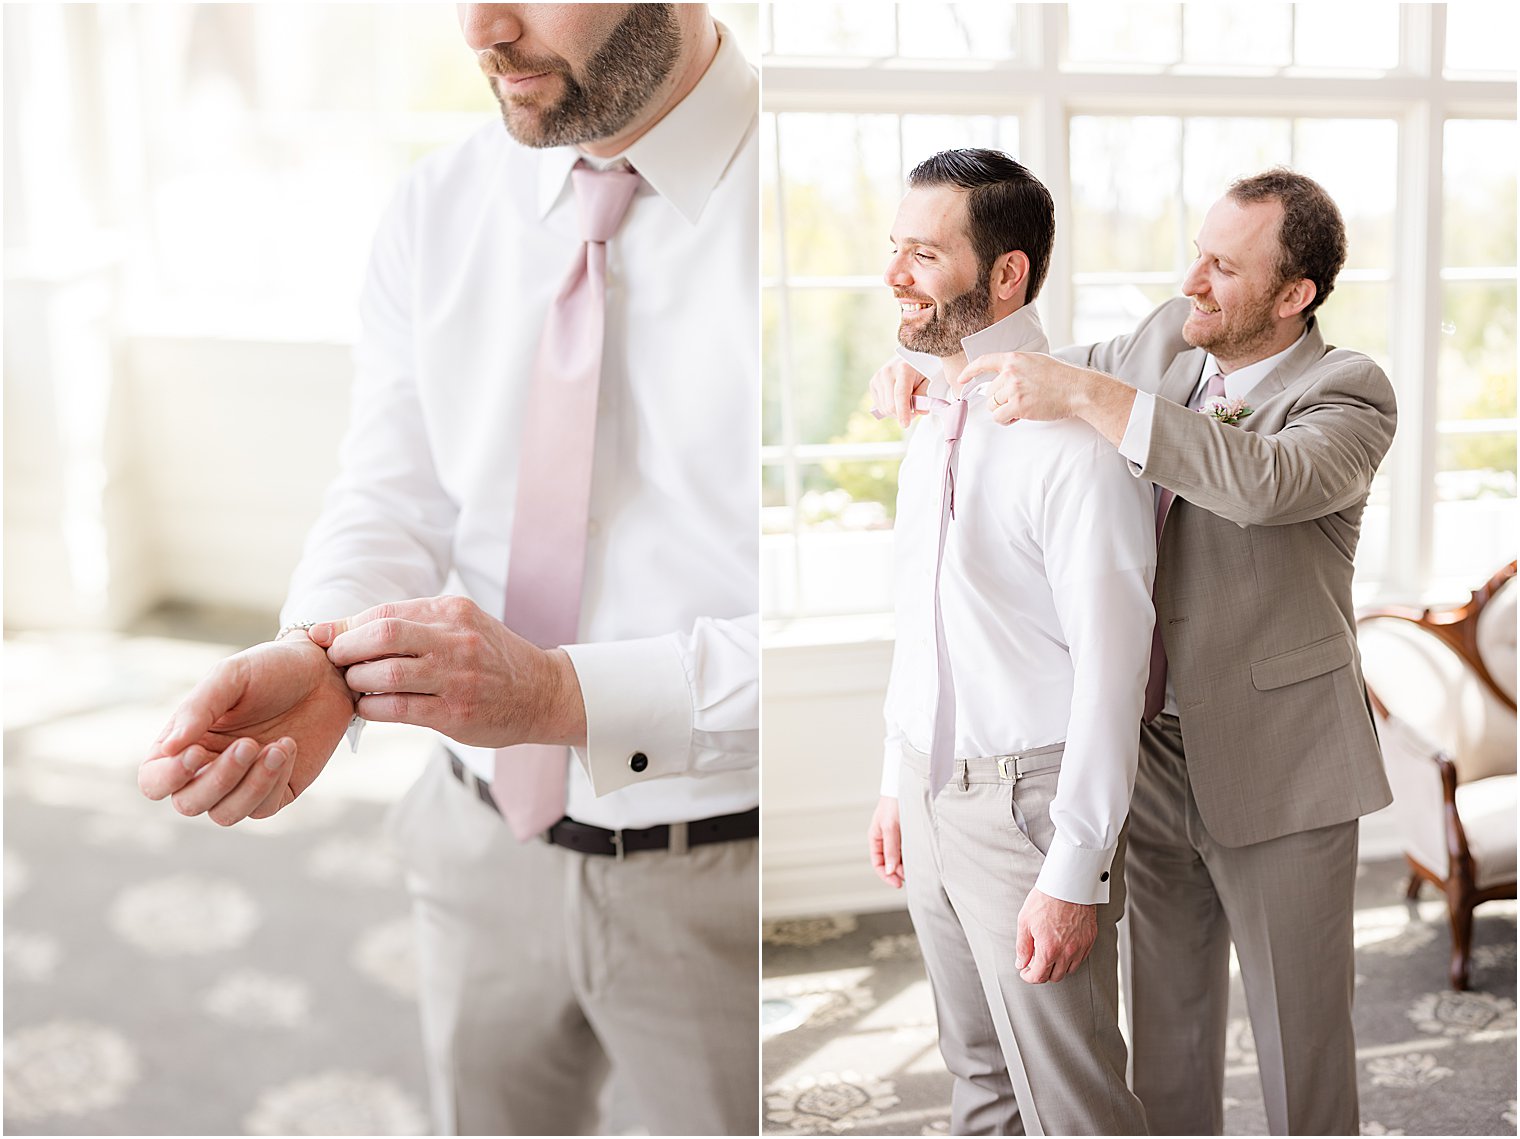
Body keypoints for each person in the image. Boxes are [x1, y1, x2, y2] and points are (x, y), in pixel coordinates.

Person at [138, 5, 759, 1134]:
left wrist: (563, 696)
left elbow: (868, 617)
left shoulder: (858, 232)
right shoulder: (435, 206)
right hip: (471, 843)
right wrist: (320, 648)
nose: (483, 26)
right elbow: (394, 489)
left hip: (728, 885)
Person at [872, 168, 1396, 1136]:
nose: (1190, 280)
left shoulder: (1348, 395)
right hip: (1148, 761)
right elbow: (1015, 360)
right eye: (1195, 251)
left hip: (1281, 767)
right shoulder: (1166, 337)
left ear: (1294, 297)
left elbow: (1260, 479)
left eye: (1222, 268)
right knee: (1168, 1040)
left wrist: (1084, 392)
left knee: (1299, 1048)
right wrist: (929, 376)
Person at [866, 148, 1155, 1136]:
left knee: (1075, 1106)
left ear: (1006, 274)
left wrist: (1073, 866)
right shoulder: (927, 409)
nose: (895, 275)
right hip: (929, 786)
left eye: (923, 254)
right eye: (892, 250)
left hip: (1029, 806)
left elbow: (1114, 672)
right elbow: (925, 613)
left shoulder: (1076, 448)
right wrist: (893, 772)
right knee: (977, 1080)